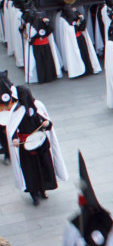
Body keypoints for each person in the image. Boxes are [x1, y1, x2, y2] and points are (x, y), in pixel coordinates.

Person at [2, 73, 68, 206]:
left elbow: (48, 123)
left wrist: (46, 124)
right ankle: (34, 194)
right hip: (26, 147)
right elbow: (12, 129)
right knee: (30, 171)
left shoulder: (37, 106)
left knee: (43, 168)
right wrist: (15, 139)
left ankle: (43, 189)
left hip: (41, 144)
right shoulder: (16, 111)